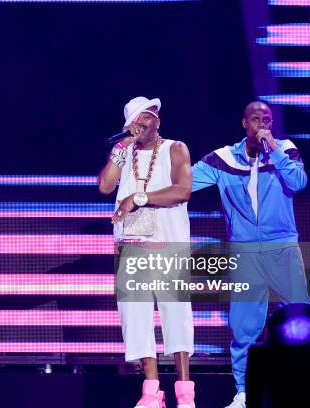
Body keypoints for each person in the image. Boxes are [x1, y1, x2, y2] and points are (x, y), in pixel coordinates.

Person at [191, 101, 309, 408]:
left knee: (298, 317)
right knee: (243, 325)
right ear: (244, 123)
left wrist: (276, 152)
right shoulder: (223, 159)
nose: (262, 123)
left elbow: (298, 182)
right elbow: (185, 182)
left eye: (267, 119)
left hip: (281, 246)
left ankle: (302, 385)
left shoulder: (285, 149)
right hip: (244, 250)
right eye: (256, 118)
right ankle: (243, 392)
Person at [98, 96, 196, 408]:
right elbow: (104, 186)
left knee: (176, 316)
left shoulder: (175, 148)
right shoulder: (124, 152)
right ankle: (151, 392)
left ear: (158, 120)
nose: (143, 124)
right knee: (135, 319)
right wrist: (120, 149)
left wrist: (137, 198)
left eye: (148, 118)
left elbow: (182, 190)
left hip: (169, 244)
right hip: (131, 245)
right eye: (136, 121)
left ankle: (185, 393)